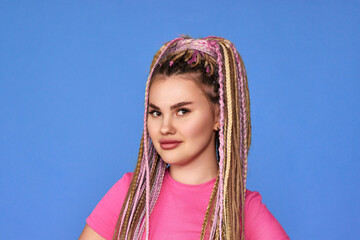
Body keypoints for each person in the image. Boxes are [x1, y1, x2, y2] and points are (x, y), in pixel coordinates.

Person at [79, 36, 290, 240]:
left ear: (219, 116)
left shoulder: (242, 211)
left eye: (182, 111)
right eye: (156, 113)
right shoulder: (130, 195)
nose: (165, 127)